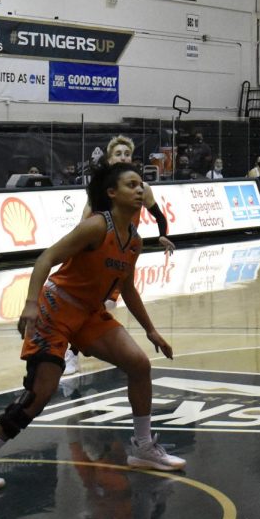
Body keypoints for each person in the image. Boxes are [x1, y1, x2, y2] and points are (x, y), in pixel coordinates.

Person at [0, 162, 184, 490]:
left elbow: (128, 287)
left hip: (89, 316)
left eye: (141, 185)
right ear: (111, 193)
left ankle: (144, 447)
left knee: (139, 364)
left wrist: (150, 330)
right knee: (41, 392)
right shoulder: (95, 227)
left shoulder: (133, 239)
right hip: (56, 310)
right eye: (131, 184)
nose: (140, 190)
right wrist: (31, 304)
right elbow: (45, 259)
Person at [65, 136, 175, 375]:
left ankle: (82, 345)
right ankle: (72, 352)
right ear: (109, 158)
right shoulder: (103, 188)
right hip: (99, 247)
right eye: (118, 154)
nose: (123, 157)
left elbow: (159, 214)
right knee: (95, 303)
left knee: (107, 303)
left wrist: (162, 235)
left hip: (123, 249)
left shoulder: (141, 188)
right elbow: (86, 215)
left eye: (127, 153)